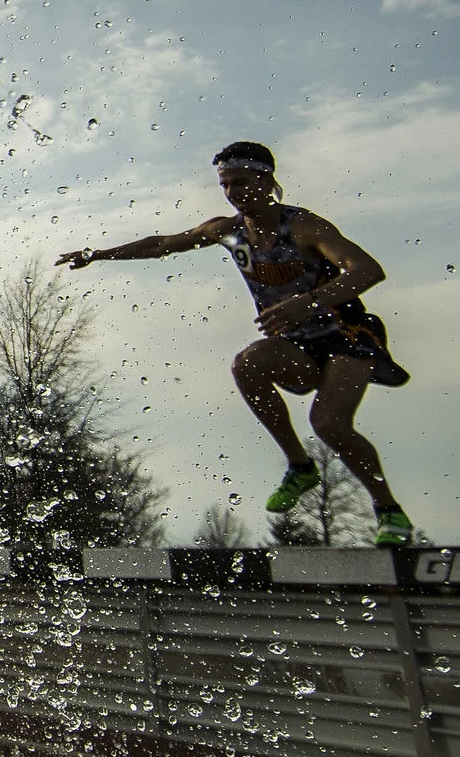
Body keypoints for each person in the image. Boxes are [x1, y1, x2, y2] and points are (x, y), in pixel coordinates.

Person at [59, 141, 419, 545]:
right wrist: (100, 254)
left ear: (267, 181)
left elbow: (368, 269)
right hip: (297, 343)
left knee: (329, 423)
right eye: (226, 185)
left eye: (242, 183)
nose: (233, 193)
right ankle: (299, 466)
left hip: (348, 338)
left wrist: (310, 301)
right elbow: (162, 244)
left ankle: (390, 512)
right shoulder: (227, 231)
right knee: (246, 364)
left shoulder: (303, 227)